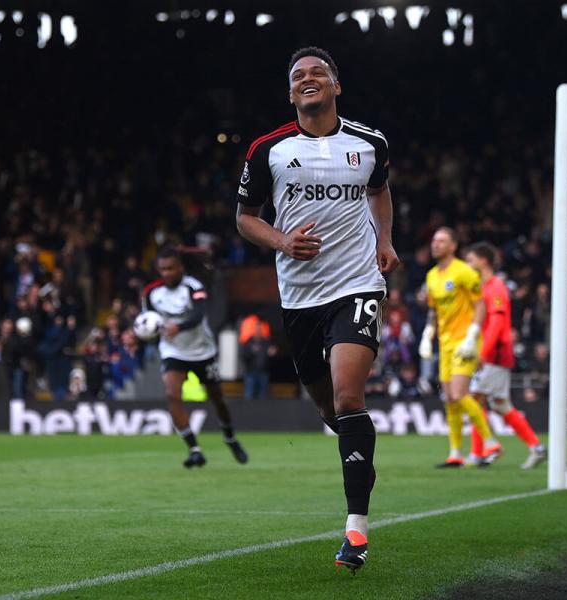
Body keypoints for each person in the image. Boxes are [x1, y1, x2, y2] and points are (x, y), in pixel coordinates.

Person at [235, 46, 399, 573]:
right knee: (330, 411)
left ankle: (356, 531)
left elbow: (380, 191)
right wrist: (282, 242)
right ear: (290, 92)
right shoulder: (268, 149)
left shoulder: (370, 143)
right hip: (301, 296)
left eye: (318, 73)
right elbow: (245, 217)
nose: (309, 80)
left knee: (350, 397)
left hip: (357, 284)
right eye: (299, 76)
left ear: (336, 85)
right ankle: (359, 456)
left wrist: (385, 241)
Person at [143, 246, 248, 468]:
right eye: (162, 269)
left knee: (217, 399)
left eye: (171, 268)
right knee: (172, 394)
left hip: (203, 351)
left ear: (180, 268)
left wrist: (178, 326)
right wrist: (137, 336)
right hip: (174, 351)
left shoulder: (194, 286)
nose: (167, 273)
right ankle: (194, 449)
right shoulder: (152, 293)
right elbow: (148, 322)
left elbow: (198, 315)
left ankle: (230, 437)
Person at [418, 227, 502, 468]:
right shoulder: (432, 275)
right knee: (449, 399)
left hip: (465, 341)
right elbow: (434, 310)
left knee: (458, 393)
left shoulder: (464, 272)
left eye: (441, 241)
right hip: (444, 343)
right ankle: (455, 452)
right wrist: (427, 334)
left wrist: (473, 334)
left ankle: (490, 441)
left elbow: (480, 305)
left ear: (453, 246)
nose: (435, 244)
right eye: (434, 240)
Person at [465, 242, 546, 469]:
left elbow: (498, 324)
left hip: (496, 354)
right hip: (490, 353)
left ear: (484, 260)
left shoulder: (496, 286)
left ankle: (478, 453)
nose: (469, 265)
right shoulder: (482, 287)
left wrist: (483, 352)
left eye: (471, 260)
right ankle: (536, 447)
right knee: (500, 404)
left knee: (474, 399)